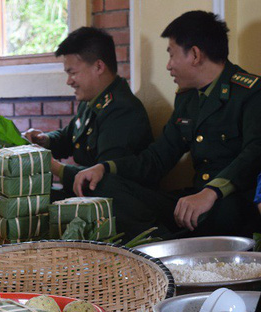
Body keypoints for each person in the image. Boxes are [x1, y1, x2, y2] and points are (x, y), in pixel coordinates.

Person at [73, 11, 261, 239]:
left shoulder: (250, 93)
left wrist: (213, 191)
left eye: (172, 55)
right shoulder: (188, 98)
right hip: (194, 202)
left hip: (230, 202)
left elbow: (254, 154)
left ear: (194, 55)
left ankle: (174, 246)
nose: (168, 66)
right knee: (104, 187)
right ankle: (164, 246)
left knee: (225, 211)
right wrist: (106, 168)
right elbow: (156, 159)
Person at [24, 27, 152, 197]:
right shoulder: (92, 100)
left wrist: (53, 167)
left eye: (73, 73)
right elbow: (70, 137)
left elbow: (103, 181)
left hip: (112, 208)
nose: (69, 81)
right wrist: (44, 141)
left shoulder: (122, 110)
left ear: (99, 67)